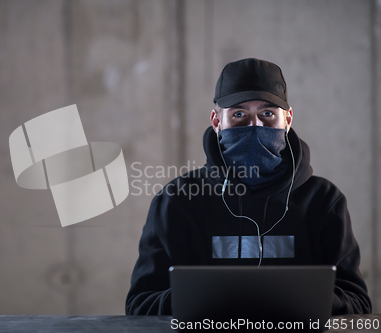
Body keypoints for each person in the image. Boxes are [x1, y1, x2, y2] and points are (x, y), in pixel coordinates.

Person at [125, 58, 372, 316]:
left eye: (267, 114)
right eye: (239, 114)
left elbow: (359, 304)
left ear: (287, 120)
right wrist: (211, 299)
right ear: (217, 121)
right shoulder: (176, 201)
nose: (255, 125)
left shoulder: (324, 201)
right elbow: (140, 305)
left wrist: (298, 299)